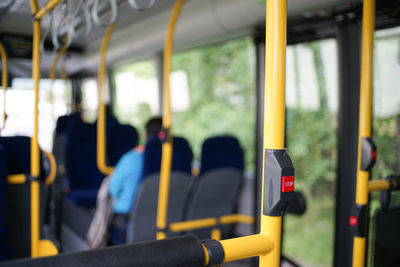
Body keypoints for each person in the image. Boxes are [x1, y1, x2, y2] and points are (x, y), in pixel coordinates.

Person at [87, 117, 162, 248]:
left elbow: (113, 190)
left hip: (127, 220)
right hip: (163, 219)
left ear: (146, 135)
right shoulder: (173, 159)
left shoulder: (130, 159)